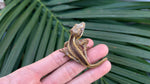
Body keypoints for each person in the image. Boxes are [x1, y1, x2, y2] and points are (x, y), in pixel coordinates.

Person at [0, 39, 111, 84]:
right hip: (77, 55)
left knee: (87, 61)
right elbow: (66, 45)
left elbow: (66, 45)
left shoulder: (72, 41)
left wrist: (68, 52)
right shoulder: (74, 41)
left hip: (77, 55)